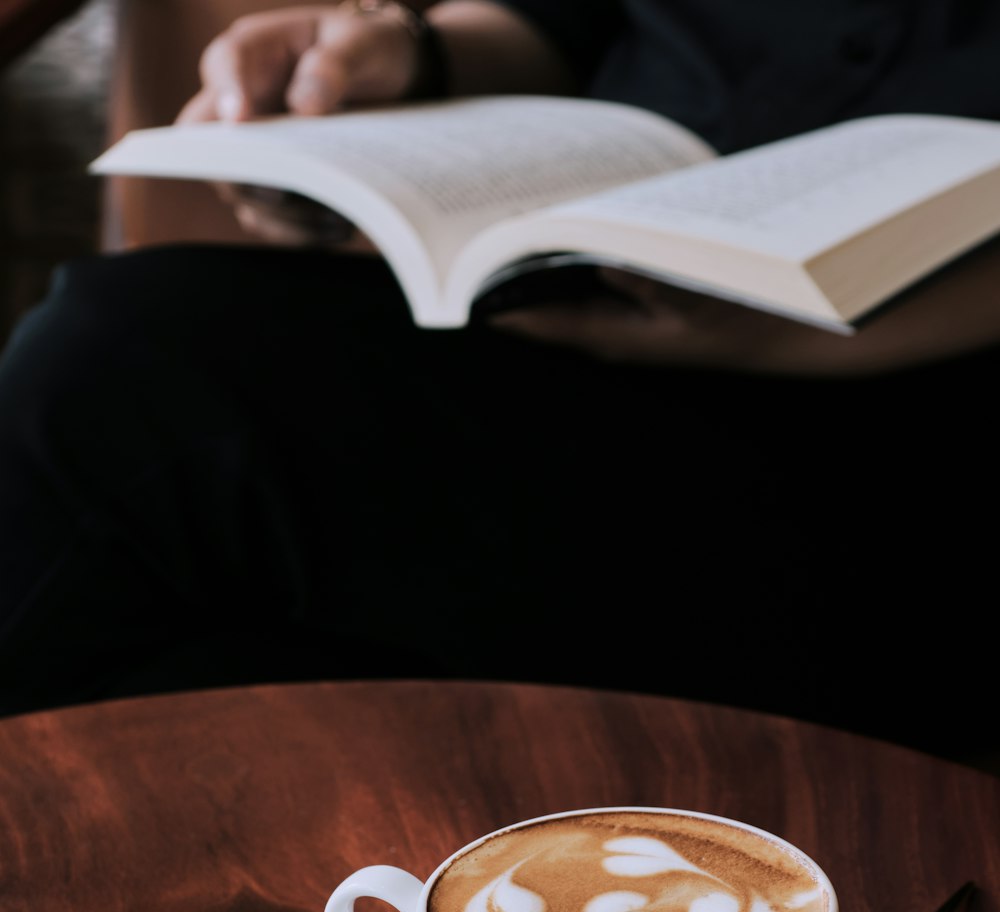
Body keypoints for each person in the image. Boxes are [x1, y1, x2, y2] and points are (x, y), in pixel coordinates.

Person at [0, 0, 996, 764]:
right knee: (164, 579)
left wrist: (813, 332)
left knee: (127, 371)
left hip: (910, 418)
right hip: (594, 305)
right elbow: (576, 16)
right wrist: (399, 55)